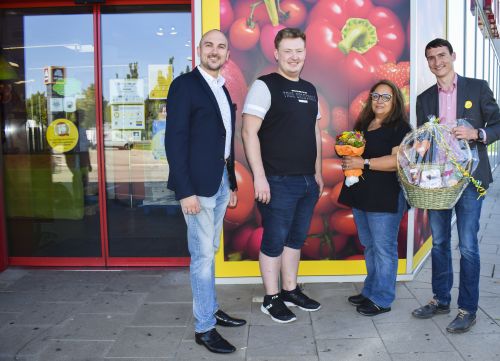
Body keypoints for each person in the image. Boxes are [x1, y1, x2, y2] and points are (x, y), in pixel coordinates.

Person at [165, 29, 246, 354]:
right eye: (209, 45)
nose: (215, 51)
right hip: (197, 188)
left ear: (227, 54)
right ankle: (204, 327)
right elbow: (174, 141)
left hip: (220, 182)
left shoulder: (221, 87)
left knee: (209, 251)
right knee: (201, 257)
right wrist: (185, 191)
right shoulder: (184, 86)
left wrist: (233, 182)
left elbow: (226, 140)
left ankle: (210, 308)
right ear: (198, 49)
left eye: (221, 47)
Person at [412, 38, 500, 333]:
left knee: (469, 247)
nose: (437, 62)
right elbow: (421, 139)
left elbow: (498, 123)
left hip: (470, 179)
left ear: (453, 56)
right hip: (438, 181)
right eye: (431, 58)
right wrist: (419, 151)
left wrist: (478, 132)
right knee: (438, 243)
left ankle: (468, 309)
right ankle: (440, 300)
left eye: (441, 55)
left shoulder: (477, 88)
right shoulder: (424, 99)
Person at [242, 28, 323, 324]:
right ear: (276, 54)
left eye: (299, 50)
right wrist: (259, 177)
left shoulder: (310, 89)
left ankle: (290, 290)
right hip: (276, 181)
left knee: (295, 240)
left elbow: (314, 132)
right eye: (287, 51)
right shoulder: (265, 86)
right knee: (274, 240)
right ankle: (271, 298)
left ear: (305, 53)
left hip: (305, 181)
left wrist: (316, 172)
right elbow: (249, 132)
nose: (294, 56)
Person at [338, 80, 411, 316]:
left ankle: (382, 298)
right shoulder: (364, 123)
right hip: (362, 195)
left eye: (386, 97)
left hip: (385, 198)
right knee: (369, 246)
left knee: (384, 249)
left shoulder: (401, 128)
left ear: (395, 101)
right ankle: (370, 290)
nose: (380, 101)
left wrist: (364, 162)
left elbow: (397, 162)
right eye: (376, 96)